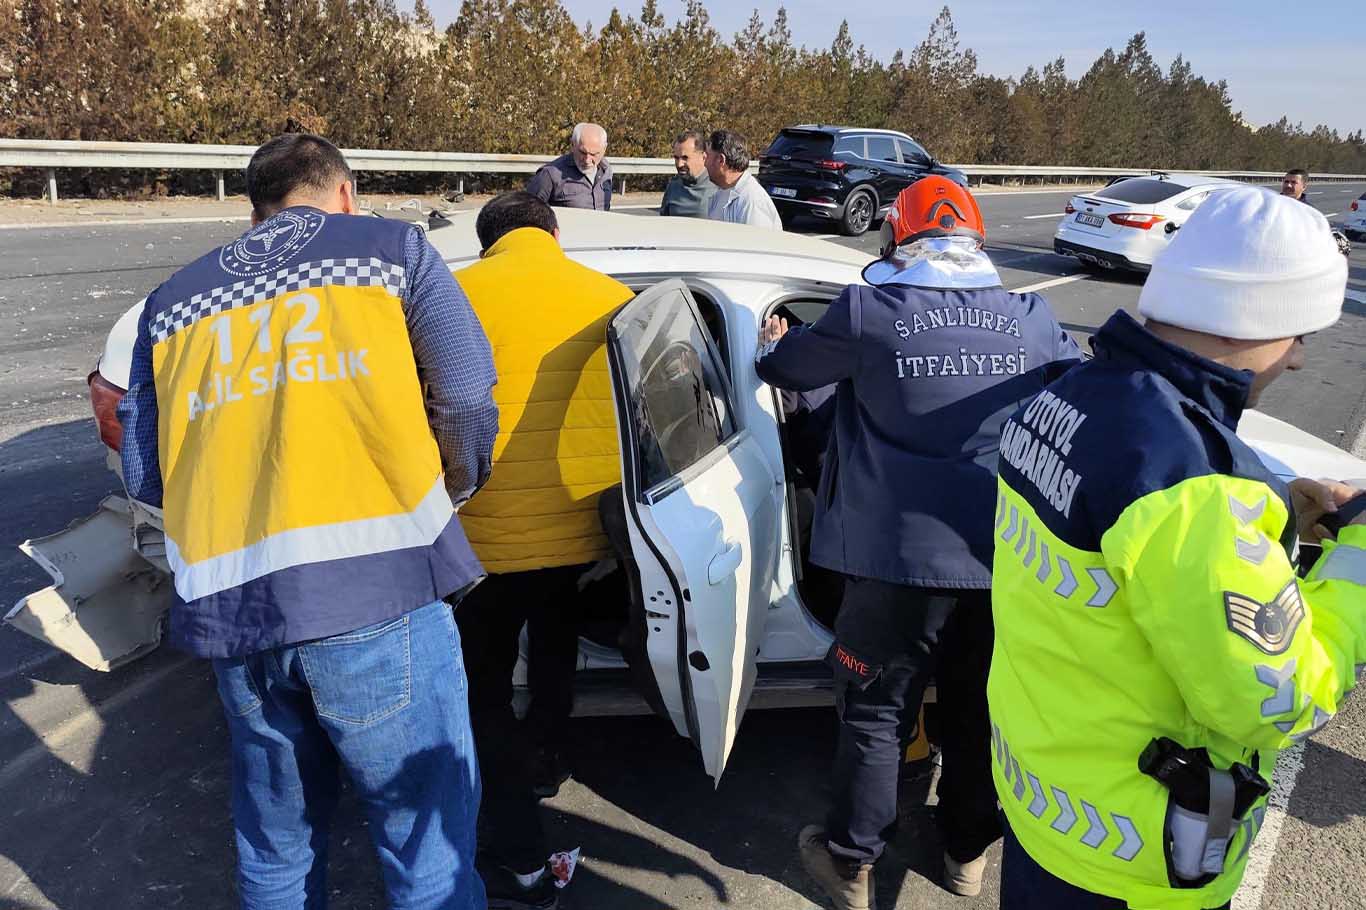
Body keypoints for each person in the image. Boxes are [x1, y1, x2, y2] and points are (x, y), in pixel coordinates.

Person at [117, 133, 498, 909]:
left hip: (237, 616)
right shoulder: (392, 252)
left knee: (275, 851)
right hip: (379, 593)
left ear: (252, 210)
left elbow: (144, 470)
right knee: (427, 853)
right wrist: (452, 487)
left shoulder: (172, 303)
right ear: (346, 194)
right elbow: (464, 394)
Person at [988, 186, 1364, 910]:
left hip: (1044, 808)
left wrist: (1277, 516)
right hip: (1136, 863)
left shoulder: (1065, 397)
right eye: (1300, 334)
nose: (1298, 362)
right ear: (1263, 318)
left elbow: (1116, 560)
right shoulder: (1197, 491)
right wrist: (1356, 564)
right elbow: (1277, 702)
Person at [756, 176, 1082, 909]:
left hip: (894, 564)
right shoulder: (1031, 315)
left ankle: (850, 863)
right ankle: (967, 856)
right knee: (978, 711)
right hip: (1002, 561)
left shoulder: (871, 308)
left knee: (876, 711)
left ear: (896, 239)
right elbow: (1073, 394)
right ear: (977, 240)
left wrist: (779, 341)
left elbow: (784, 370)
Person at [451, 191, 634, 909]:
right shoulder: (612, 297)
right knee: (556, 639)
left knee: (485, 683)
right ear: (552, 233)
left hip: (483, 539)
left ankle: (510, 806)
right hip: (583, 526)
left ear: (488, 240)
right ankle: (549, 755)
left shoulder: (455, 297)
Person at [705, 129, 783, 229]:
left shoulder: (752, 201)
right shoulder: (720, 192)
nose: (704, 163)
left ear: (721, 160)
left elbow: (756, 243)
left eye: (707, 156)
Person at [526, 122, 613, 211]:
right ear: (572, 145)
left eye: (594, 154)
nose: (587, 160)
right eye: (582, 152)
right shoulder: (549, 174)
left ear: (604, 149)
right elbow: (528, 212)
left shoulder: (606, 170)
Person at [659, 129, 716, 217]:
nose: (679, 164)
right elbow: (663, 222)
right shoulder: (673, 185)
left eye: (685, 158)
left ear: (703, 157)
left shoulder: (717, 186)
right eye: (676, 158)